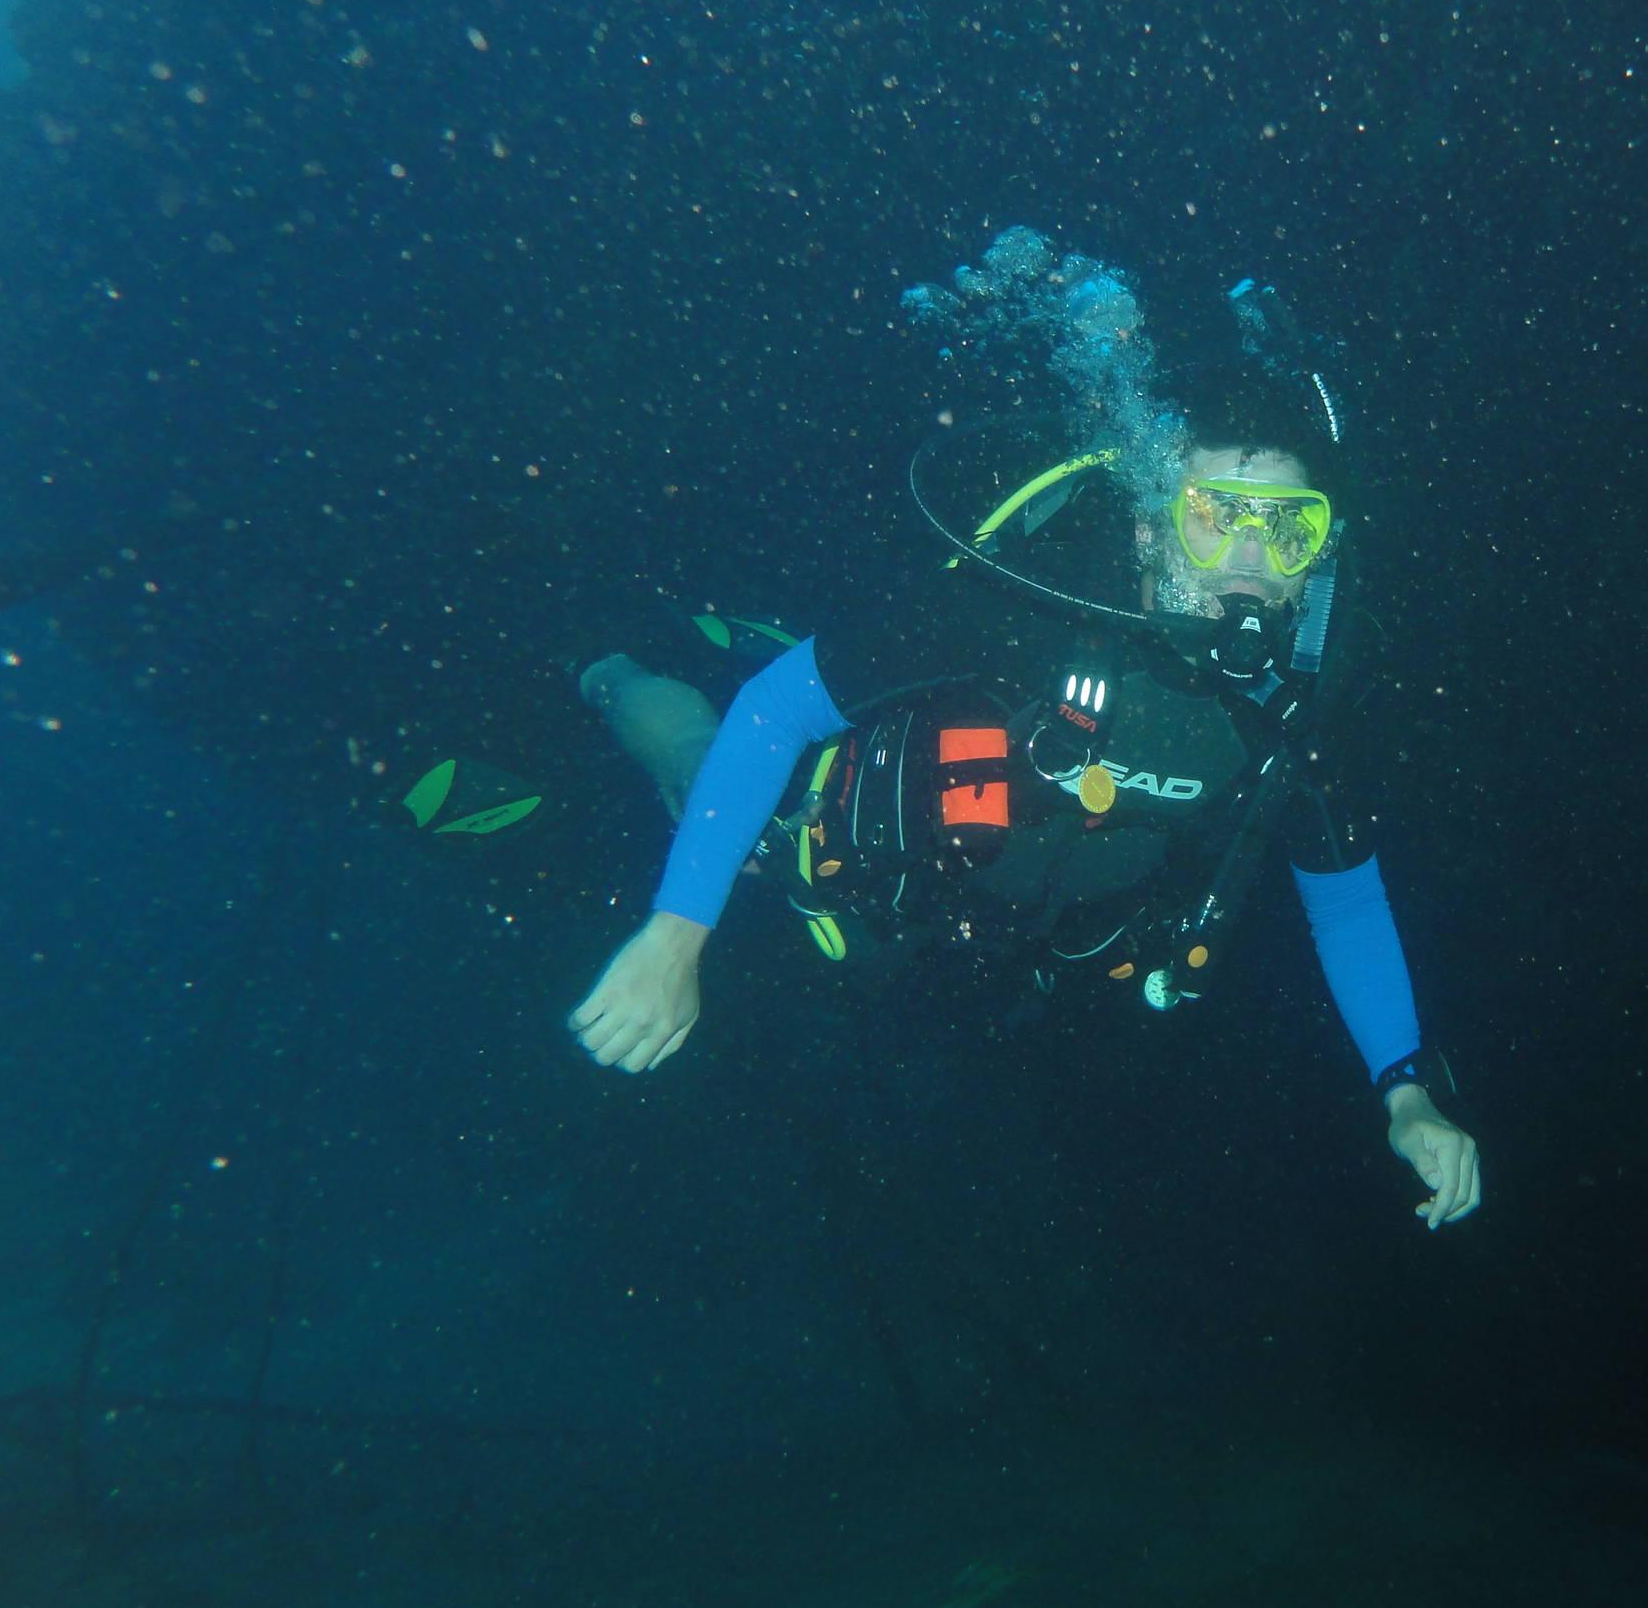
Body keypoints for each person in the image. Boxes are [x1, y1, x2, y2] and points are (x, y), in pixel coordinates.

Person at [566, 322, 1483, 1232]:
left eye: (1288, 528)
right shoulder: (1031, 603)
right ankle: (610, 669)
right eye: (1215, 517)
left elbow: (1345, 897)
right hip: (842, 848)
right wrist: (677, 934)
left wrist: (1407, 1091)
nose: (1248, 563)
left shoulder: (1302, 702)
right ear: (1152, 519)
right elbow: (777, 711)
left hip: (1011, 957)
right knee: (705, 765)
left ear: (1319, 549)